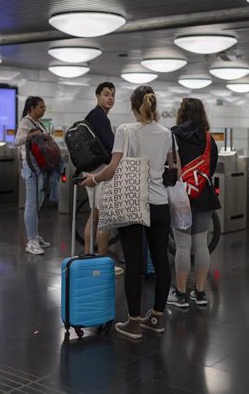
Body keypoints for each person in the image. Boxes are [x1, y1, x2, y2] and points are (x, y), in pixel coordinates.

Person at [81, 85, 174, 339]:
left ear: (133, 106)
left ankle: (134, 323)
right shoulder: (167, 133)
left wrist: (94, 179)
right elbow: (171, 167)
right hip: (160, 203)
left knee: (133, 263)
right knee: (161, 261)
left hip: (133, 202)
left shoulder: (125, 130)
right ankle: (156, 317)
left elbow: (112, 168)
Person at [167, 98, 219, 308]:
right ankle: (200, 292)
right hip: (204, 196)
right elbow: (212, 167)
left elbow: (168, 166)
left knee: (182, 245)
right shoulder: (208, 138)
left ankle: (180, 295)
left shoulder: (173, 135)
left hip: (181, 197)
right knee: (201, 244)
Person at [83, 82, 123, 275]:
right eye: (106, 94)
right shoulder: (98, 116)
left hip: (90, 170)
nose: (110, 98)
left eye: (113, 95)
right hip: (99, 172)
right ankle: (101, 263)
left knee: (95, 215)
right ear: (97, 96)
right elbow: (111, 145)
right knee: (103, 217)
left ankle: (87, 259)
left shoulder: (95, 116)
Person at [15, 96, 51, 255]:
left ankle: (35, 235)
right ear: (32, 108)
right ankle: (30, 241)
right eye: (41, 107)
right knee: (31, 203)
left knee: (38, 203)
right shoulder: (26, 122)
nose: (44, 109)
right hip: (31, 167)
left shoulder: (39, 123)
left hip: (40, 166)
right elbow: (17, 140)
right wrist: (31, 135)